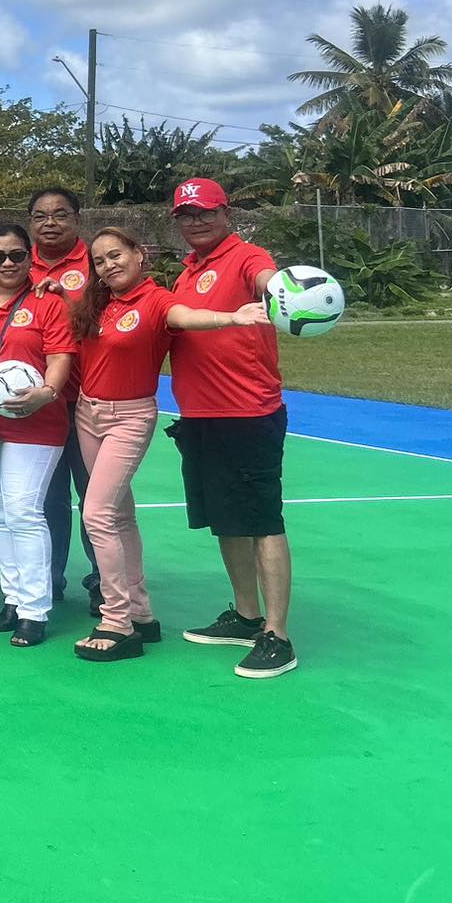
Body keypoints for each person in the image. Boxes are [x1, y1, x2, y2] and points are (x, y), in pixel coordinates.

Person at [68, 227, 268, 662]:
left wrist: (232, 317)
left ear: (140, 254)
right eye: (99, 261)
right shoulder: (98, 305)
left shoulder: (155, 299)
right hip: (88, 413)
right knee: (119, 515)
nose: (109, 265)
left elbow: (186, 316)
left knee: (97, 513)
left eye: (116, 255)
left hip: (130, 416)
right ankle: (141, 614)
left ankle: (116, 621)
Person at [166, 178, 299, 678]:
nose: (195, 221)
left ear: (226, 214)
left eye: (204, 212)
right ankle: (247, 615)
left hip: (249, 414)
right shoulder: (185, 273)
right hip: (200, 417)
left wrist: (285, 288)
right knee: (226, 520)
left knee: (263, 520)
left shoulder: (247, 256)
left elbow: (269, 280)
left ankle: (278, 635)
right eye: (185, 214)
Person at [0, 224, 77, 649]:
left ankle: (36, 609)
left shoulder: (48, 303)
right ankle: (13, 599)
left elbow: (61, 357)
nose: (8, 263)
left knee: (25, 512)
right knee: (1, 515)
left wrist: (46, 392)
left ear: (30, 258)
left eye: (17, 255)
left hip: (37, 424)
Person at [28, 186, 95, 608]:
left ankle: (105, 582)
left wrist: (65, 298)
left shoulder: (97, 262)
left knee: (97, 499)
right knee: (48, 499)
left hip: (92, 401)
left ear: (76, 219)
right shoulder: (16, 262)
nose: (50, 223)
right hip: (38, 407)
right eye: (40, 215)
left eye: (60, 214)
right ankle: (48, 580)